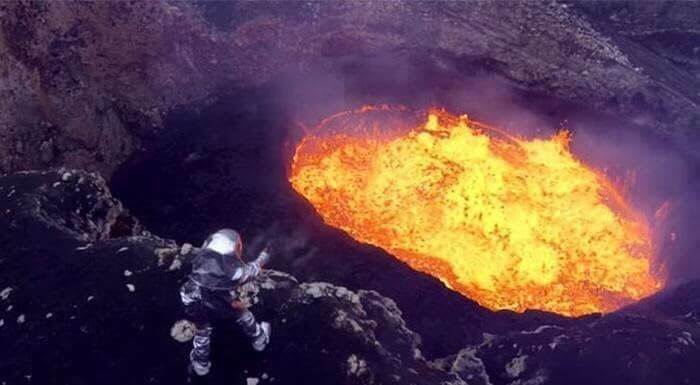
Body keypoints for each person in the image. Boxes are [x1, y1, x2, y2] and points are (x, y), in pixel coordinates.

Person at [179, 229, 272, 377]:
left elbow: (187, 291)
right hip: (226, 305)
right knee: (244, 314)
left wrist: (189, 304)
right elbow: (251, 270)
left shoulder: (199, 265)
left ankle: (200, 364)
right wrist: (263, 258)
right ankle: (259, 340)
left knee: (202, 332)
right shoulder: (235, 272)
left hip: (201, 305)